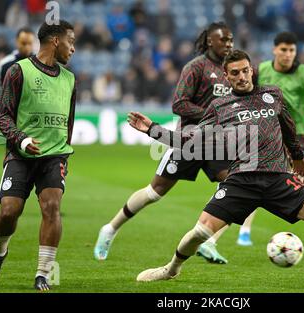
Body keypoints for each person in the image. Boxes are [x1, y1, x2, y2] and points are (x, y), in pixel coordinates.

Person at [128, 50, 304, 289]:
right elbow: (189, 140)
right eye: (235, 73)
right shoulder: (219, 107)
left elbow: (288, 128)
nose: (241, 77)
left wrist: (298, 157)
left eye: (245, 71)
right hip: (241, 180)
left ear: (251, 70)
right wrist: (153, 130)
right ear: (227, 77)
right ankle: (171, 269)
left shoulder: (272, 94)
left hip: (278, 178)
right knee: (201, 232)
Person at [94, 22, 234, 264]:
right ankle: (110, 228)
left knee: (238, 188)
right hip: (189, 140)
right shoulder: (196, 67)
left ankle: (209, 242)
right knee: (154, 192)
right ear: (211, 41)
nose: (229, 44)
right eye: (224, 40)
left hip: (217, 144)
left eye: (231, 40)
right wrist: (212, 116)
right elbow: (179, 104)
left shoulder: (231, 70)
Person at [0, 20, 77, 291]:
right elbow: (3, 117)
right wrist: (20, 140)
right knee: (9, 212)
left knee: (51, 207)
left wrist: (63, 156)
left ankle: (42, 274)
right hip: (21, 155)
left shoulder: (70, 79)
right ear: (56, 41)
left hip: (54, 156)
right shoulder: (18, 71)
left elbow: (68, 124)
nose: (73, 48)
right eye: (71, 42)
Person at [237, 31, 304, 247]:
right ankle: (244, 231)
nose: (288, 54)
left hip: (298, 139)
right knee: (257, 181)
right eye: (284, 50)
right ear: (274, 50)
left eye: (292, 50)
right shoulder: (262, 71)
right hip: (268, 137)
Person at [0, 27, 35, 98]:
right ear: (16, 41)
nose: (27, 47)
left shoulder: (41, 63)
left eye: (30, 43)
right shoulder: (5, 64)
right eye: (23, 43)